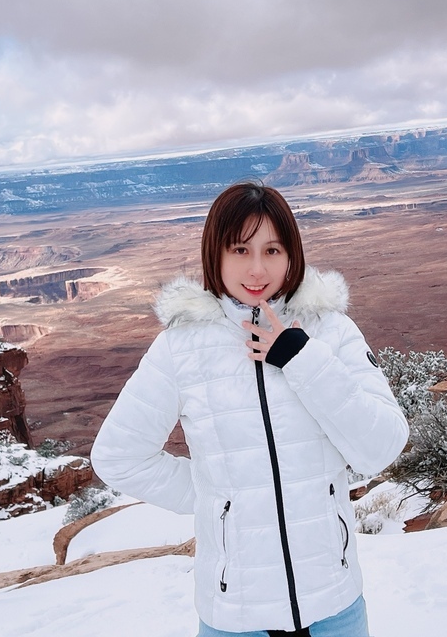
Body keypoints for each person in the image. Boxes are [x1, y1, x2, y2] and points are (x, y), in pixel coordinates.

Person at [91, 181, 410, 637]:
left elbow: (381, 447)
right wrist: (215, 500)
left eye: (273, 250)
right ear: (214, 255)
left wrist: (301, 357)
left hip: (335, 607)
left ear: (291, 255)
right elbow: (118, 456)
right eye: (240, 250)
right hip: (234, 618)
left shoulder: (329, 331)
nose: (257, 269)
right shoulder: (181, 347)